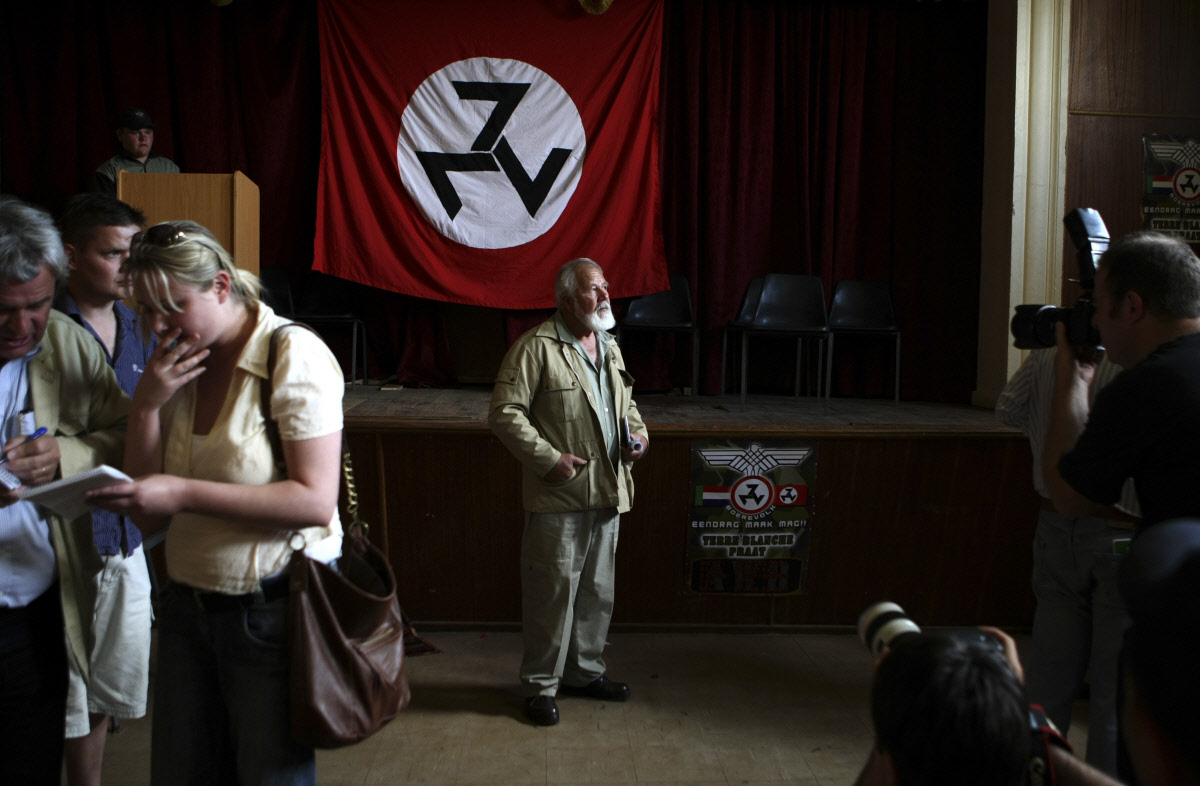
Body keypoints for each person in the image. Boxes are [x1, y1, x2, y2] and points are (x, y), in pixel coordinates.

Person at [88, 220, 344, 785]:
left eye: (171, 307)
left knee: (269, 774)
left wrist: (183, 492)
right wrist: (148, 406)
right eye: (144, 311)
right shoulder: (178, 361)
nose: (157, 327)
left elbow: (313, 500)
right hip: (185, 604)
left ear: (222, 287)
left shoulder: (291, 353)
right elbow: (147, 510)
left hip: (268, 609)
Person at [0, 196, 129, 786]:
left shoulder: (65, 342)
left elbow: (127, 435)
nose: (23, 328)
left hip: (34, 609)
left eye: (39, 305)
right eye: (4, 310)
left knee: (31, 757)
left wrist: (67, 457)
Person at [488, 257, 649, 726]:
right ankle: (541, 687)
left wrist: (637, 438)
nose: (604, 296)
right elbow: (504, 414)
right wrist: (548, 459)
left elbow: (628, 405)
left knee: (597, 593)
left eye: (604, 286)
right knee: (552, 595)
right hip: (560, 497)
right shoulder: (534, 348)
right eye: (592, 289)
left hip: (609, 492)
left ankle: (585, 673)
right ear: (564, 300)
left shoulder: (610, 347)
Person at [996, 348, 1138, 776]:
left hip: (1055, 523)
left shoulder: (1045, 357)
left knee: (1049, 680)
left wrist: (1048, 430)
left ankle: (1040, 776)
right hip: (1119, 527)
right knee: (1112, 692)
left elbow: (1007, 410)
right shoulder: (1140, 360)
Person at [54, 193, 155, 786]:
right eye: (113, 253)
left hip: (126, 537)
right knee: (59, 690)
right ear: (71, 255)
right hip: (59, 536)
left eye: (133, 253)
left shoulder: (138, 323)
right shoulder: (38, 326)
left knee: (104, 689)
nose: (127, 267)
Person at [1044, 231, 1200, 530]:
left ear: (1131, 306)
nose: (1095, 321)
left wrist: (1071, 382)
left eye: (1099, 306)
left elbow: (1070, 499)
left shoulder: (1147, 387)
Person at [853, 631, 1031, 786]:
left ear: (891, 771)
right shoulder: (1019, 770)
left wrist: (886, 716)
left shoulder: (890, 769)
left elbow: (884, 769)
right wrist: (1015, 705)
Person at [92, 108, 180, 197]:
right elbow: (103, 209)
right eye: (136, 132)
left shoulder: (170, 168)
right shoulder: (108, 171)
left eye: (147, 132)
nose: (143, 138)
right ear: (120, 135)